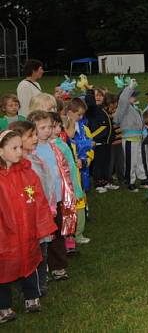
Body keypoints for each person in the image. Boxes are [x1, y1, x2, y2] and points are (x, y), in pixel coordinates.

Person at [0, 129, 57, 321]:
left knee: (30, 261)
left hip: (27, 230)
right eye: (13, 147)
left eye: (19, 147)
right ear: (1, 151)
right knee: (4, 268)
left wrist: (42, 226)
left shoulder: (27, 171)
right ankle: (4, 306)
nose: (18, 151)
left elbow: (39, 200)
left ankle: (32, 297)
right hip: (5, 232)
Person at [28, 110, 74, 282]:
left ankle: (58, 266)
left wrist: (68, 191)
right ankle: (40, 268)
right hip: (41, 203)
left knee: (57, 234)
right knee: (41, 237)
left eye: (50, 127)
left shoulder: (55, 147)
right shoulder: (31, 151)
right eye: (42, 127)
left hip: (58, 199)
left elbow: (64, 170)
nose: (47, 130)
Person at [114, 80, 147, 191]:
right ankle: (129, 181)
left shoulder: (135, 108)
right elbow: (123, 100)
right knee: (130, 161)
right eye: (132, 95)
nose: (134, 97)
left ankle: (143, 178)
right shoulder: (124, 107)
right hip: (129, 140)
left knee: (139, 160)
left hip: (138, 138)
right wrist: (129, 88)